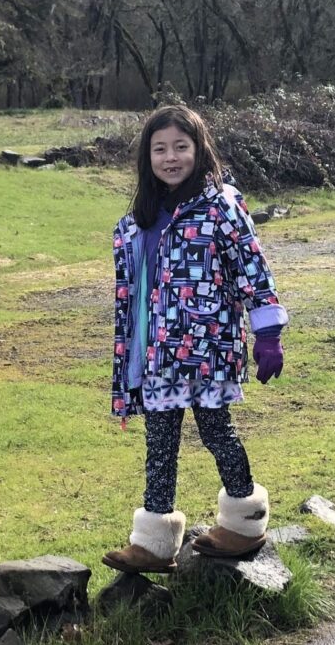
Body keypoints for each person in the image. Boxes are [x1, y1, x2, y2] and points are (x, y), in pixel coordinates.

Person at [102, 104, 288, 575]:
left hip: (207, 350)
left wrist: (267, 332)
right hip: (157, 353)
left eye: (180, 147)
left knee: (215, 431)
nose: (170, 157)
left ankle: (245, 521)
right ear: (147, 157)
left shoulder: (221, 204)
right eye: (159, 148)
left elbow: (253, 268)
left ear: (198, 150)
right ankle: (153, 541)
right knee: (159, 442)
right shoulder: (140, 218)